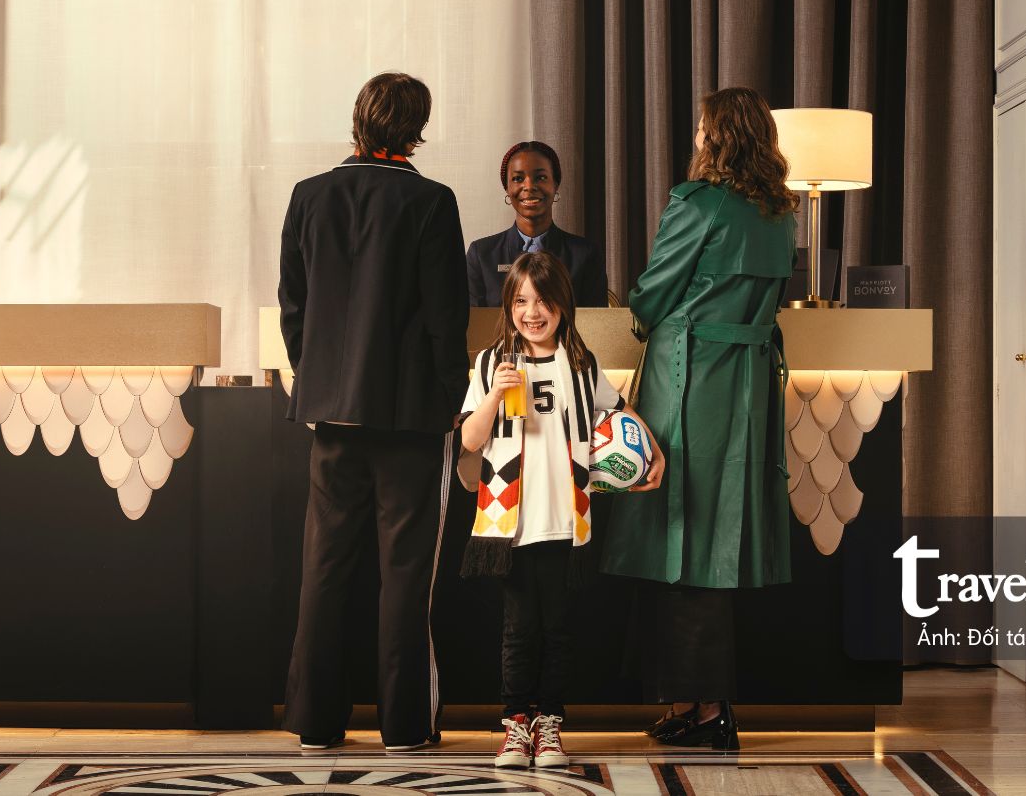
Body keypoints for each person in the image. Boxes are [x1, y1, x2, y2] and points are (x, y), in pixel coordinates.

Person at [597, 87, 798, 750]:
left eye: (701, 127)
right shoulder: (780, 213)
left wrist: (639, 312)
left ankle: (708, 710)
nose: (695, 136)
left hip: (689, 377)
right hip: (747, 384)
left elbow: (652, 293)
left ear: (716, 136)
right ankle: (691, 704)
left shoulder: (696, 203)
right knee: (712, 537)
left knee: (678, 533)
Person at [277, 71, 469, 752]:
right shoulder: (432, 201)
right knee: (406, 575)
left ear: (358, 117)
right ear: (416, 127)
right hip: (410, 417)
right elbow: (446, 317)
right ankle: (405, 727)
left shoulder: (308, 195)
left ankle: (316, 723)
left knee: (324, 569)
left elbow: (294, 307)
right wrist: (453, 398)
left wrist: (316, 382)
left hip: (330, 414)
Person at [454, 251, 664, 769]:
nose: (532, 312)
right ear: (508, 306)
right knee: (518, 627)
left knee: (558, 627)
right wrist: (495, 396)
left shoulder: (580, 363)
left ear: (562, 305)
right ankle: (516, 725)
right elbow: (470, 439)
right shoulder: (491, 363)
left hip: (565, 519)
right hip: (511, 519)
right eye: (521, 301)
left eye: (543, 301)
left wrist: (653, 451)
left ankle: (549, 725)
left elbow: (618, 410)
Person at [465, 141, 609, 307]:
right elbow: (475, 321)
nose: (529, 186)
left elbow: (594, 320)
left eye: (540, 177)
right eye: (518, 179)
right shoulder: (481, 255)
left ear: (555, 185)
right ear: (507, 188)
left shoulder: (586, 255)